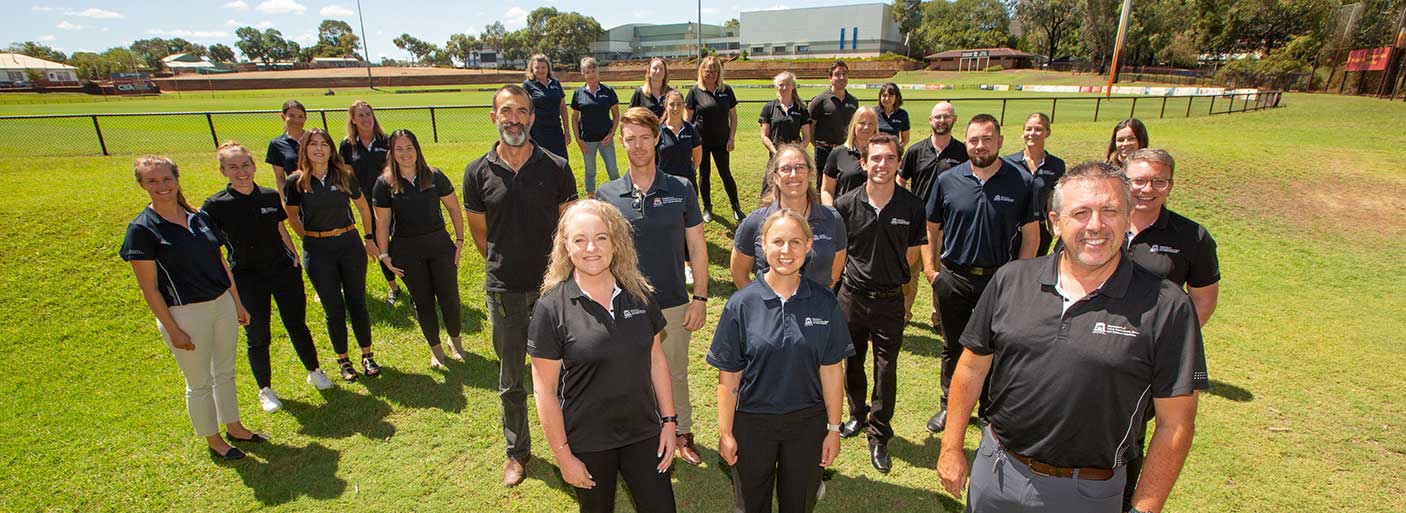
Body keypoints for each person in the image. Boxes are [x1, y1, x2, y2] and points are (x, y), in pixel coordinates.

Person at [936, 162, 1208, 513]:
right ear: (1055, 221)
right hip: (996, 472)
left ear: (1128, 219)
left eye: (1110, 211)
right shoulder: (1011, 280)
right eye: (1081, 213)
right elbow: (972, 368)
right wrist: (951, 447)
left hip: (1087, 493)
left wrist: (1146, 507)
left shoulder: (1167, 307)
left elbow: (1176, 424)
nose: (1096, 225)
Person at [530, 200, 679, 513]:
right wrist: (563, 455)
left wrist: (668, 422)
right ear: (565, 247)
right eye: (579, 239)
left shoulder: (639, 293)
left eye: (600, 237)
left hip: (643, 432)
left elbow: (656, 360)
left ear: (616, 242)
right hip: (589, 441)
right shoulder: (551, 309)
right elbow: (544, 390)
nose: (591, 248)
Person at [462, 84, 579, 488]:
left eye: (522, 112)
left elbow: (570, 231)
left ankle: (570, 445)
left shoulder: (557, 167)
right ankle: (518, 452)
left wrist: (557, 278)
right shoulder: (476, 172)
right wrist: (506, 266)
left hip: (553, 290)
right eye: (506, 111)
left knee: (564, 374)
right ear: (494, 117)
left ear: (532, 117)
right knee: (512, 378)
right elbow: (481, 236)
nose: (515, 119)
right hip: (505, 290)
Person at [709, 208, 853, 513]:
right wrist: (725, 432)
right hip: (752, 422)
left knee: (798, 504)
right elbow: (729, 377)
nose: (785, 251)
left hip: (808, 423)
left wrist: (833, 429)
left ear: (809, 245)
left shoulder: (825, 302)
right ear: (762, 244)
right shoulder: (741, 305)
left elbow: (831, 371)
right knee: (751, 505)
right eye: (777, 242)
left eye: (795, 242)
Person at [122, 155, 265, 461]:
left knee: (225, 372)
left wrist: (236, 302)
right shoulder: (142, 229)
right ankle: (214, 440)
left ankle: (235, 426)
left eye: (167, 179)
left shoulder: (197, 217)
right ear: (143, 185)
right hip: (185, 313)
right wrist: (172, 328)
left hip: (221, 304)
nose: (162, 186)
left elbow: (220, 261)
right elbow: (149, 287)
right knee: (199, 382)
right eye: (153, 181)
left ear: (176, 179)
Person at [595, 107, 710, 465]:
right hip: (625, 304)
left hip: (674, 301)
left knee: (674, 371)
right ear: (621, 142)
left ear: (657, 138)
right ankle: (645, 436)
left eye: (646, 137)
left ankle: (681, 433)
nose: (639, 146)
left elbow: (697, 247)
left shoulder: (681, 188)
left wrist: (700, 297)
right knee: (633, 374)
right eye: (631, 139)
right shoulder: (606, 194)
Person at [922, 114, 1041, 434]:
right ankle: (949, 405)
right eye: (974, 139)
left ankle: (989, 409)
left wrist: (1019, 277)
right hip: (954, 278)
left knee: (995, 346)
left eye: (987, 139)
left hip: (998, 280)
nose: (980, 145)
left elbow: (1031, 235)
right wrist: (932, 270)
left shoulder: (1022, 182)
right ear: (967, 141)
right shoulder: (948, 179)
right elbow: (931, 227)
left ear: (1000, 141)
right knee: (953, 345)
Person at [1119, 148, 1221, 510]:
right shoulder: (1101, 224)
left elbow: (1204, 298)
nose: (1148, 189)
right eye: (1139, 180)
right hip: (1093, 345)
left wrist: (1172, 342)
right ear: (1124, 180)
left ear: (1170, 186)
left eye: (1158, 181)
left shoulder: (1191, 236)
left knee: (1130, 435)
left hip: (1147, 357)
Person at [202, 142, 331, 414]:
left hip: (282, 271)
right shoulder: (215, 206)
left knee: (297, 324)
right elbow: (214, 250)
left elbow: (280, 227)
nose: (241, 172)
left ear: (253, 165)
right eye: (233, 167)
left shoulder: (270, 196)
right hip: (247, 277)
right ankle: (266, 389)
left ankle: (314, 370)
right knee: (258, 334)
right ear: (223, 170)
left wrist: (294, 256)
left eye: (245, 165)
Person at [832, 134, 928, 474]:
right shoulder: (845, 205)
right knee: (853, 362)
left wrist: (903, 293)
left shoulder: (912, 206)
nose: (882, 165)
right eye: (875, 159)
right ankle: (857, 416)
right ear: (863, 162)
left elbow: (913, 254)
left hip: (890, 302)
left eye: (889, 158)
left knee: (886, 370)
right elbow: (839, 253)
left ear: (898, 162)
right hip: (852, 298)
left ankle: (879, 434)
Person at [283, 128, 381, 383]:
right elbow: (291, 215)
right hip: (318, 251)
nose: (319, 149)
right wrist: (310, 237)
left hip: (349, 245)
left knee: (357, 302)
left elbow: (362, 207)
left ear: (330, 149)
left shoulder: (344, 175)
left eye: (324, 144)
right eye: (313, 144)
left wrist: (369, 238)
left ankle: (367, 355)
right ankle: (344, 360)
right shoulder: (296, 181)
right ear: (305, 149)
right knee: (333, 309)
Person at [372, 129, 467, 369]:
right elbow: (382, 222)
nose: (405, 154)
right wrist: (384, 254)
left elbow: (455, 209)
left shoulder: (433, 176)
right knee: (422, 302)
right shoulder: (384, 184)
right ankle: (435, 350)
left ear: (417, 149)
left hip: (439, 246)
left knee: (450, 298)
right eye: (399, 149)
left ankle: (455, 342)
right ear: (392, 153)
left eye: (409, 148)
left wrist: (459, 241)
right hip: (406, 250)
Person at [732, 143, 846, 290]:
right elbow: (739, 274)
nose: (793, 174)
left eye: (800, 167)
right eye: (785, 169)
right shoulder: (755, 222)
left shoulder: (832, 219)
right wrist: (761, 305)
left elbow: (834, 272)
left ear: (810, 173)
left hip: (817, 310)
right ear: (774, 177)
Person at [899, 101, 966, 327]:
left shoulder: (962, 153)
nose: (941, 121)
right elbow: (901, 180)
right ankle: (903, 314)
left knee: (940, 272)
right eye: (937, 117)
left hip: (946, 225)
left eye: (946, 116)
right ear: (930, 120)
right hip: (916, 224)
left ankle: (939, 317)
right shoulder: (916, 150)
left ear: (954, 119)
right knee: (908, 271)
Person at [339, 100, 402, 305]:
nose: (366, 119)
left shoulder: (386, 140)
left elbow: (397, 166)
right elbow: (347, 173)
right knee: (382, 243)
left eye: (368, 114)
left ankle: (414, 284)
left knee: (402, 242)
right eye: (361, 115)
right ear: (353, 120)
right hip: (368, 203)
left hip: (392, 198)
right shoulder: (347, 145)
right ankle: (394, 287)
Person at [684, 55, 741, 222]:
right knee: (704, 175)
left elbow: (734, 117)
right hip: (701, 143)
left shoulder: (726, 90)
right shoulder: (695, 91)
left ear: (719, 73)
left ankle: (735, 206)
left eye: (714, 71)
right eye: (707, 71)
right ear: (702, 71)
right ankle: (707, 208)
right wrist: (688, 143)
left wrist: (731, 138)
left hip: (722, 142)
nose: (711, 74)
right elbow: (687, 120)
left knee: (726, 174)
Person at [1002, 113, 1066, 257]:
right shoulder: (1007, 163)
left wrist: (1052, 227)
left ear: (1047, 132)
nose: (1032, 133)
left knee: (1034, 270)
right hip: (1011, 227)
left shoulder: (1056, 165)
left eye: (1038, 129)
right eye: (1028, 129)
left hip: (1039, 227)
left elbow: (1051, 197)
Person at [571, 57, 621, 195]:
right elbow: (574, 119)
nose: (591, 74)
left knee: (612, 169)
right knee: (590, 171)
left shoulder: (608, 91)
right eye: (587, 71)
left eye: (593, 71)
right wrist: (578, 140)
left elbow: (616, 115)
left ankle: (618, 194)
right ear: (583, 73)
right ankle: (591, 197)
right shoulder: (578, 93)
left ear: (598, 72)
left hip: (606, 139)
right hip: (587, 141)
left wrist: (611, 134)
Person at [808, 60, 858, 189]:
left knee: (844, 185)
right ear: (830, 77)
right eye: (837, 74)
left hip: (846, 150)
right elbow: (810, 126)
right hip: (825, 151)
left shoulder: (853, 101)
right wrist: (817, 144)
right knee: (823, 187)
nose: (841, 77)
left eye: (844, 73)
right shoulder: (820, 100)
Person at [819, 106, 879, 205]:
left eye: (871, 124)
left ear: (875, 127)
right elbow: (827, 190)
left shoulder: (881, 154)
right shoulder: (838, 153)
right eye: (862, 123)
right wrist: (831, 213)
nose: (866, 127)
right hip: (844, 214)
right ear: (854, 125)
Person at [524, 53, 571, 162]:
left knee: (561, 164)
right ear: (532, 69)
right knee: (542, 165)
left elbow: (563, 108)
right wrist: (527, 135)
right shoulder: (528, 85)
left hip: (556, 131)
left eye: (543, 67)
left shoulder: (555, 83)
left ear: (548, 68)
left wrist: (567, 131)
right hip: (538, 133)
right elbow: (525, 111)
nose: (540, 70)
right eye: (537, 67)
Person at [656, 89, 703, 195]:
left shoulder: (690, 129)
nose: (675, 108)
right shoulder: (658, 130)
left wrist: (690, 170)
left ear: (683, 106)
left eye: (679, 104)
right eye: (671, 104)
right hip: (665, 183)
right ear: (665, 106)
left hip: (687, 181)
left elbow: (697, 156)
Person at [758, 71, 812, 158]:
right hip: (775, 157)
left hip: (795, 157)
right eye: (781, 85)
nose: (784, 87)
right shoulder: (768, 107)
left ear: (793, 86)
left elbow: (806, 138)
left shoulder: (801, 109)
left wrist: (796, 151)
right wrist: (775, 152)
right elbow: (764, 136)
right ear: (776, 87)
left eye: (788, 84)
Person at [265, 99, 307, 194]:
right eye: (291, 116)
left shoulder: (314, 140)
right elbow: (279, 177)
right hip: (295, 193)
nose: (296, 120)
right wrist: (284, 199)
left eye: (300, 116)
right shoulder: (276, 144)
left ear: (305, 119)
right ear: (283, 117)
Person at [876, 83, 910, 148]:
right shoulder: (873, 113)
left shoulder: (903, 114)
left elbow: (905, 139)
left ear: (896, 98)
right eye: (884, 95)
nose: (887, 99)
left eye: (890, 96)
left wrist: (897, 150)